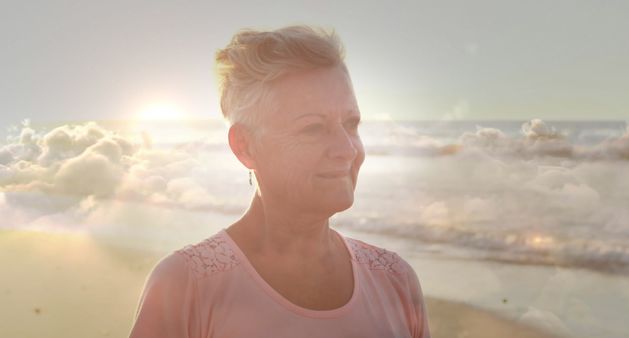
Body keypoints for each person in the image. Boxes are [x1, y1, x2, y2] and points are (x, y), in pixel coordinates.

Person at [129, 25, 430, 338]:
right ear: (245, 146)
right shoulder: (186, 286)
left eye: (351, 124)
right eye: (313, 128)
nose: (346, 149)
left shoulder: (396, 281)